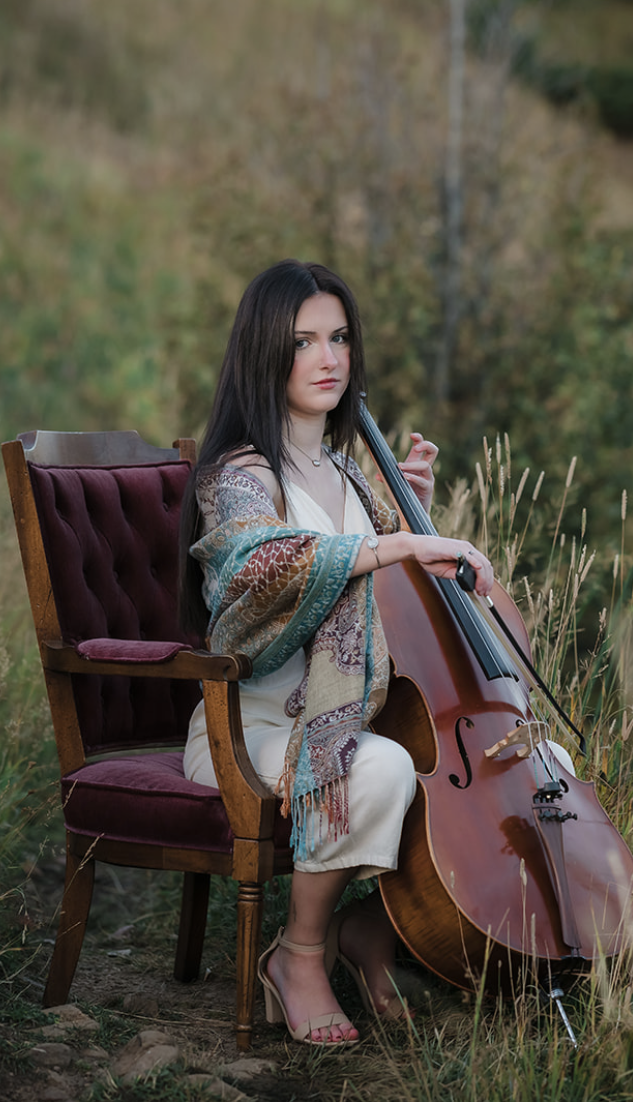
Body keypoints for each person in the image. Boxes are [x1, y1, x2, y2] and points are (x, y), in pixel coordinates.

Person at [178, 259, 496, 1046]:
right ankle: (299, 955)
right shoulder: (238, 476)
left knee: (469, 780)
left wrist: (404, 502)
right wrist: (397, 543)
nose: (329, 359)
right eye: (304, 341)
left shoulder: (349, 472)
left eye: (340, 337)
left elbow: (384, 595)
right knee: (379, 767)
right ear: (264, 353)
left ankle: (371, 933)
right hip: (248, 726)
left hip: (344, 714)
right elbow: (264, 563)